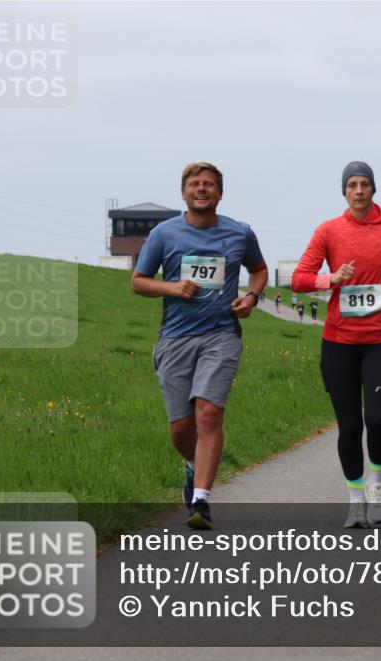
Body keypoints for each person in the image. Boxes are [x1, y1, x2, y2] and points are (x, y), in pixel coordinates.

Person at [132, 162, 268, 530]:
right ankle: (193, 466)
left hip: (221, 335)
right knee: (180, 427)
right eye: (195, 184)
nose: (202, 189)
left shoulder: (240, 233)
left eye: (209, 184)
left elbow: (259, 270)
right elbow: (139, 282)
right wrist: (172, 287)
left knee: (208, 412)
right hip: (175, 337)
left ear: (220, 193)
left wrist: (252, 297)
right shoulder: (164, 233)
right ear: (184, 193)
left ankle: (202, 501)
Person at [293, 161, 381, 528]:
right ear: (344, 191)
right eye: (352, 185)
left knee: (377, 418)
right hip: (339, 342)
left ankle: (376, 489)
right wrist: (331, 279)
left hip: (380, 339)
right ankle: (354, 500)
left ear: (373, 190)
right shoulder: (328, 230)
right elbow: (299, 278)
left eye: (365, 184)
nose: (359, 191)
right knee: (349, 426)